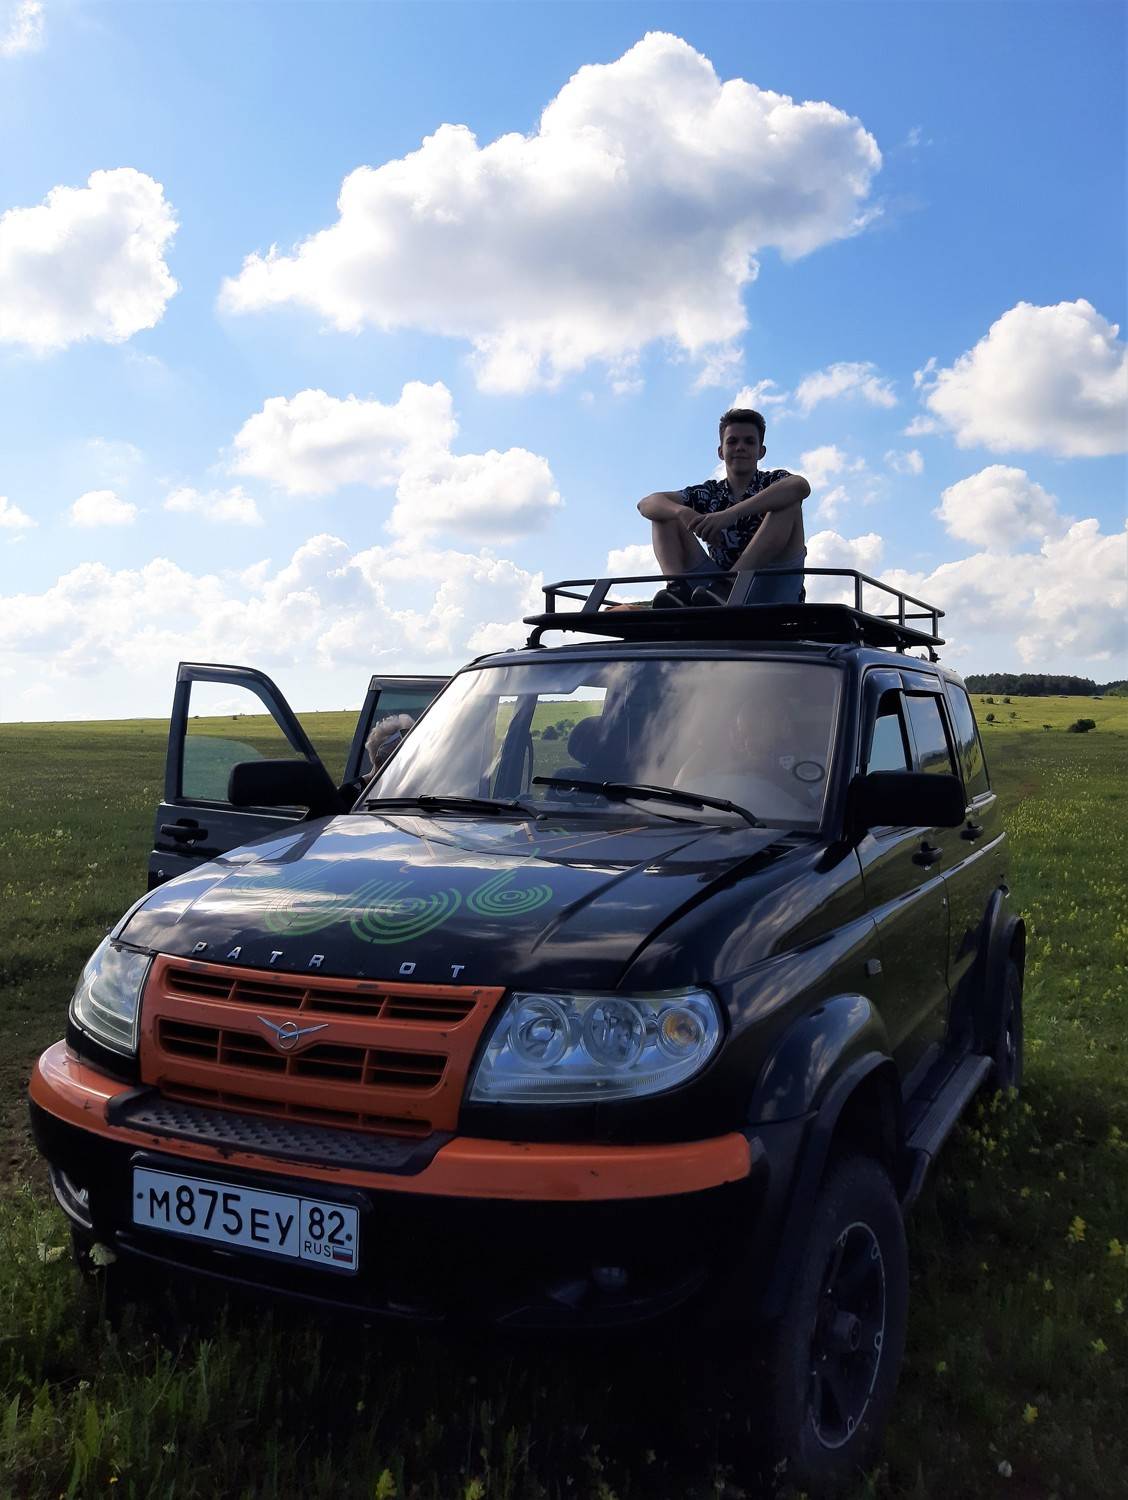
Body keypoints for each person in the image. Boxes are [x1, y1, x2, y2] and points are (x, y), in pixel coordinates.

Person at [636, 407, 810, 606]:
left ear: (761, 452)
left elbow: (800, 486)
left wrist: (731, 514)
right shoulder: (709, 493)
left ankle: (729, 585)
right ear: (721, 451)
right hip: (712, 592)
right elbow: (646, 503)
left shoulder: (773, 481)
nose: (740, 447)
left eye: (749, 441)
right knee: (663, 513)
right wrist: (682, 512)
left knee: (789, 504)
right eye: (732, 441)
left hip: (773, 584)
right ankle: (677, 590)